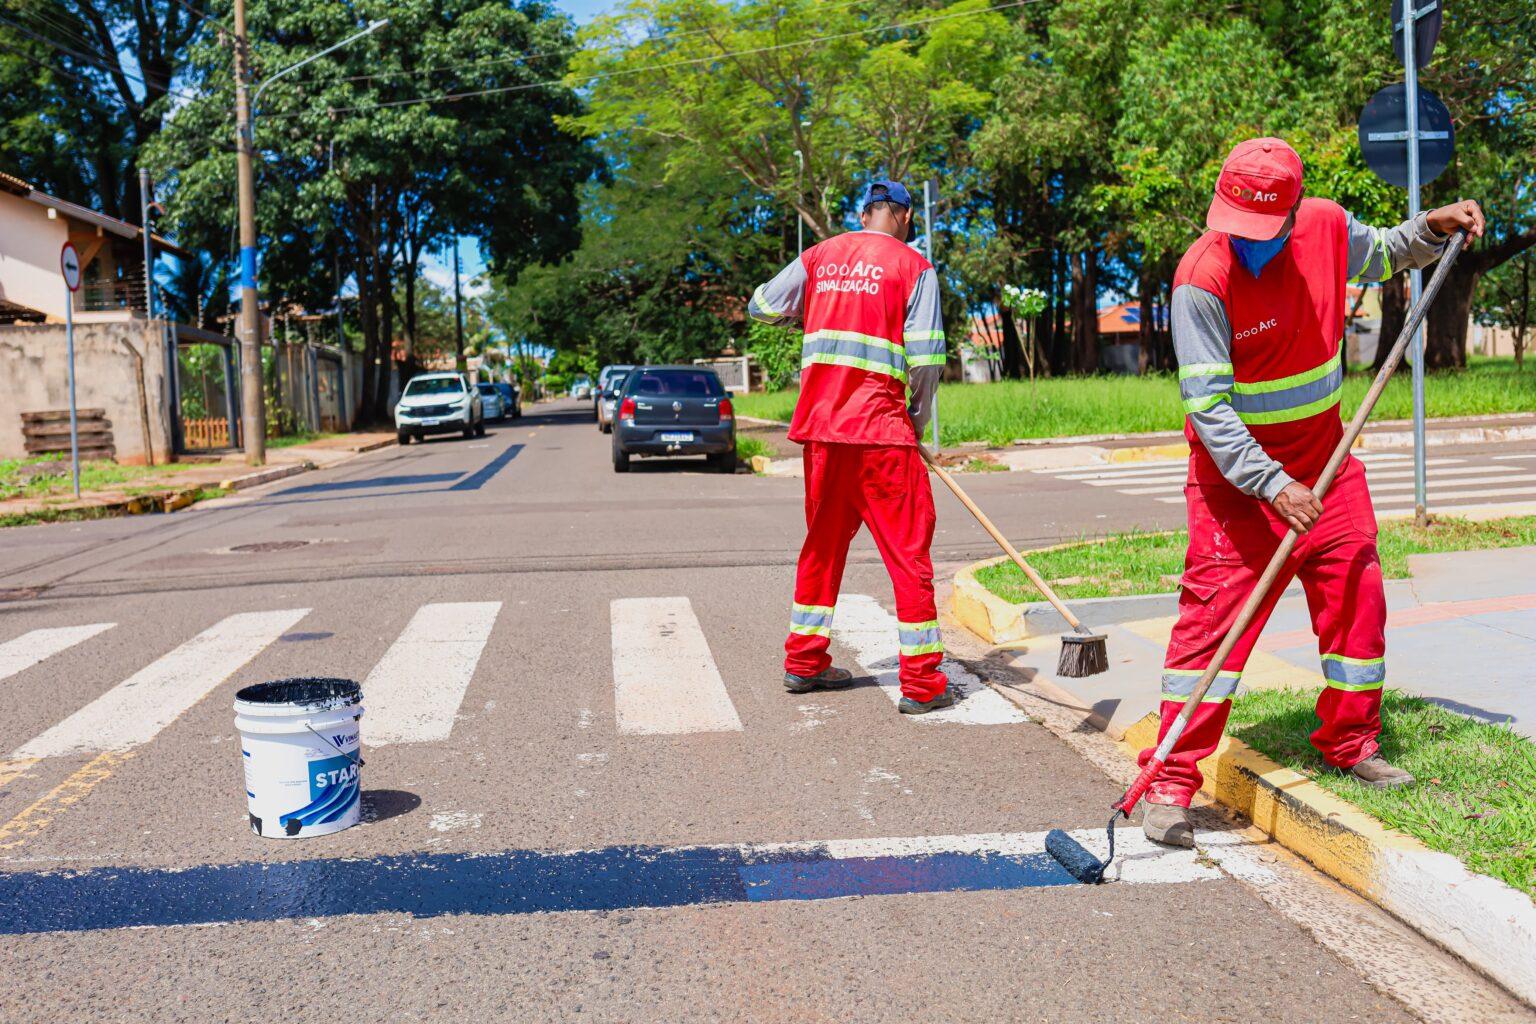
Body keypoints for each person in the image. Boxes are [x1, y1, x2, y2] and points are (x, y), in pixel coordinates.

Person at [1140, 137, 1485, 847]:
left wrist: (1430, 228)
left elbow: (1383, 251)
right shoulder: (1200, 278)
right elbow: (1210, 411)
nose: (1242, 242)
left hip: (1327, 464)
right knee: (1211, 629)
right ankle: (1171, 779)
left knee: (1358, 588)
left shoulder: (1326, 224)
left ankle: (1350, 740)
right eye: (1233, 223)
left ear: (1295, 210)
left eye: (1260, 229)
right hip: (1239, 484)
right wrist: (1271, 483)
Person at [747, 180, 951, 713]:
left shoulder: (819, 256)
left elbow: (760, 304)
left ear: (865, 214)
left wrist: (809, 309)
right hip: (882, 434)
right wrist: (915, 420)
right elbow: (927, 360)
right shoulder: (914, 267)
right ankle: (923, 684)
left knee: (822, 547)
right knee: (909, 556)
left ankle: (804, 661)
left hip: (822, 434)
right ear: (904, 217)